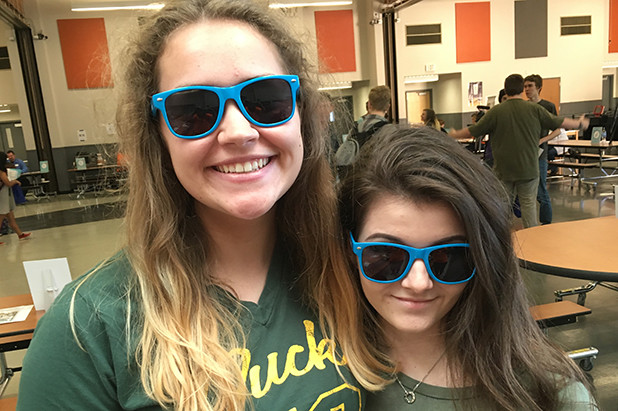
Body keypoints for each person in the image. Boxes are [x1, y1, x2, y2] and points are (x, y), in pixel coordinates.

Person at [17, 1, 387, 410]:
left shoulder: (364, 269)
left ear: (300, 114)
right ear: (158, 137)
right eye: (193, 112)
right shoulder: (87, 327)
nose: (239, 132)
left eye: (266, 100)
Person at [338, 127, 597, 411]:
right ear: (350, 250)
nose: (418, 282)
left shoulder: (550, 394)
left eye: (448, 258)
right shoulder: (314, 374)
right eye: (388, 256)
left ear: (484, 257)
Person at [449, 74, 587, 228]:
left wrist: (453, 135)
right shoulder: (535, 109)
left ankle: (502, 243)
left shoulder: (496, 112)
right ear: (522, 88)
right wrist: (579, 124)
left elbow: (472, 131)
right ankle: (533, 243)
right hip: (528, 169)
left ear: (506, 90)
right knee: (529, 208)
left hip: (504, 170)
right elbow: (559, 122)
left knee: (502, 208)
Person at [524, 74, 558, 225]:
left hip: (540, 154)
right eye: (525, 87)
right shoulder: (523, 106)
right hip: (524, 154)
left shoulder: (548, 106)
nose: (527, 89)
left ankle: (546, 223)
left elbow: (557, 130)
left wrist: (541, 141)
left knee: (541, 189)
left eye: (530, 86)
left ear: (538, 87)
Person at [0, 152, 31, 245]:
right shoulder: (1, 172)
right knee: (1, 217)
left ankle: (20, 234)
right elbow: (8, 183)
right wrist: (15, 181)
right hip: (2, 197)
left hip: (6, 195)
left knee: (11, 217)